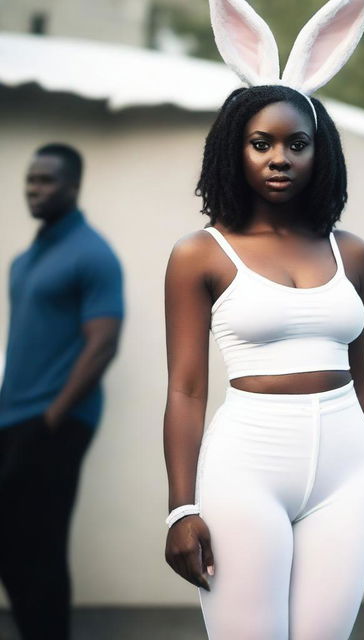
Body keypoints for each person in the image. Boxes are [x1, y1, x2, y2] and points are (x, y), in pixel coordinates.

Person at [163, 1, 364, 638]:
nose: (279, 157)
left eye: (297, 143)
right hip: (246, 466)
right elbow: (185, 389)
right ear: (237, 150)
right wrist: (180, 507)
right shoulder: (200, 254)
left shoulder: (354, 253)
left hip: (350, 472)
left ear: (321, 153)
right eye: (262, 143)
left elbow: (359, 376)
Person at [0, 143, 124, 640]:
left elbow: (103, 344)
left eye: (46, 180)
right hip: (13, 418)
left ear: (73, 186)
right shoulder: (25, 260)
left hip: (57, 420)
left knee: (41, 543)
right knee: (12, 540)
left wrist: (52, 418)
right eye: (31, 179)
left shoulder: (93, 254)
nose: (35, 188)